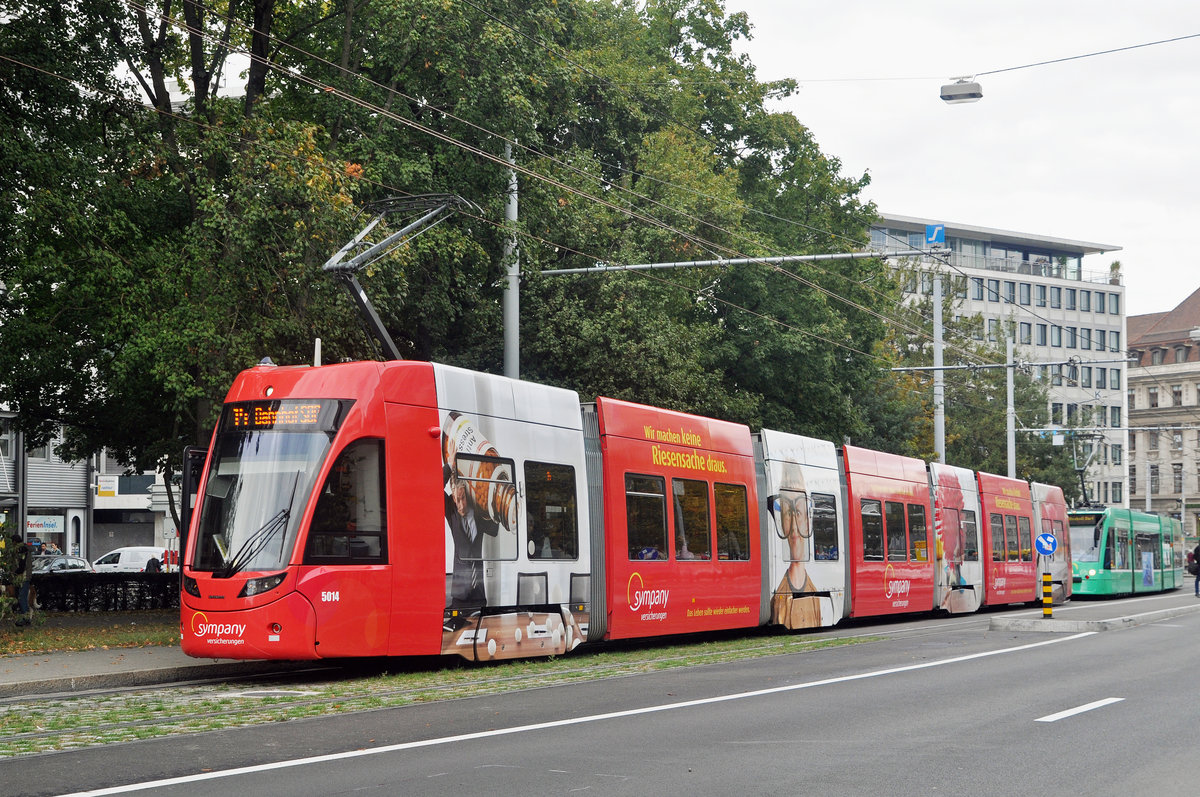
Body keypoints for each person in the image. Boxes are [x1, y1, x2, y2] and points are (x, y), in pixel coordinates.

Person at [770, 462, 822, 629]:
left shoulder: (814, 591)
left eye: (798, 512)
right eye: (787, 513)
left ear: (808, 519)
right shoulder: (779, 597)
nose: (793, 527)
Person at [444, 460, 500, 609]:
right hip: (460, 593)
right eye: (456, 499)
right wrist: (450, 465)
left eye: (462, 498)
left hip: (479, 593)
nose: (460, 505)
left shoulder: (479, 512)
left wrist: (492, 500)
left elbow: (495, 529)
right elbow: (433, 487)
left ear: (467, 493)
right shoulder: (452, 512)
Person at [11, 533, 32, 626]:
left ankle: (25, 618)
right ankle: (26, 618)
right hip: (23, 576)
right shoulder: (24, 548)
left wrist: (15, 572)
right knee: (21, 597)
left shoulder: (22, 550)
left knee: (22, 598)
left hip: (23, 577)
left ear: (15, 542)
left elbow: (22, 565)